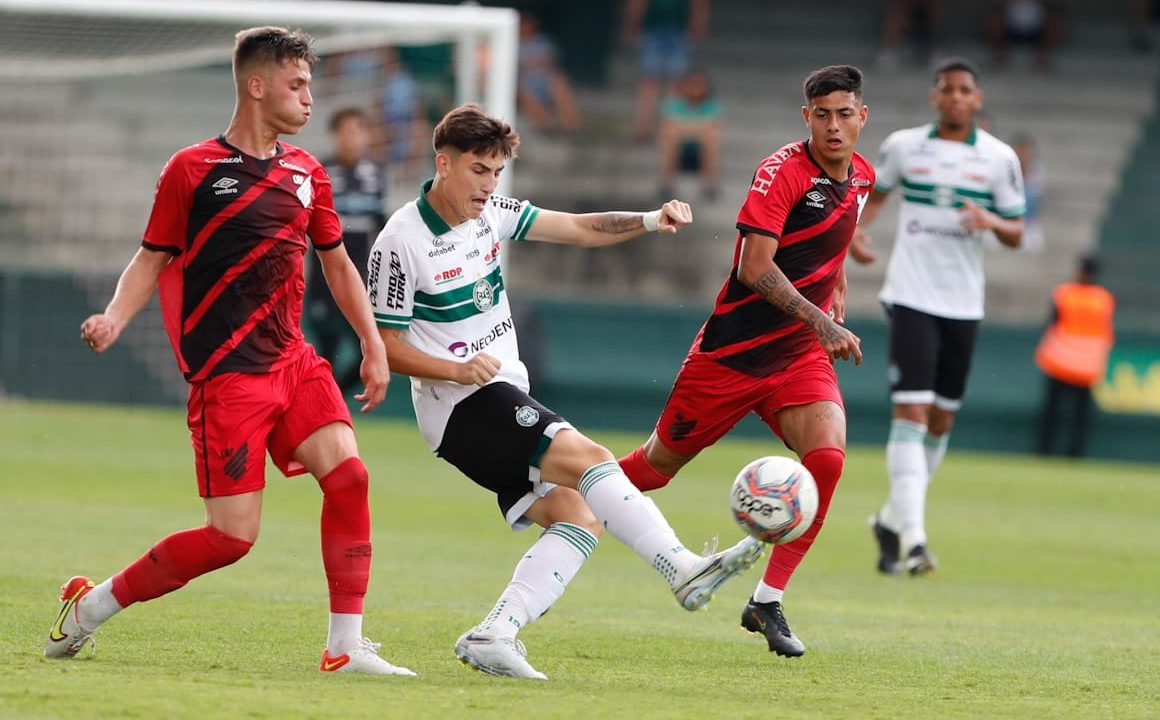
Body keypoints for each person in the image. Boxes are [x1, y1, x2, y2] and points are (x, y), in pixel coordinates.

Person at [45, 26, 415, 676]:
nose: (309, 99)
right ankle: (92, 606)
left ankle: (344, 645)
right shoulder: (191, 169)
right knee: (230, 539)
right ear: (257, 85)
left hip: (294, 361)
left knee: (351, 477)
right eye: (297, 85)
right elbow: (149, 257)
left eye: (310, 85)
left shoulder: (308, 173)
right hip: (229, 380)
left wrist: (372, 341)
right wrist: (112, 317)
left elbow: (337, 266)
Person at [367, 103, 764, 680]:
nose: (489, 185)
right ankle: (681, 567)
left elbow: (579, 228)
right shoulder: (400, 240)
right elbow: (384, 346)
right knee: (590, 459)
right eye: (479, 169)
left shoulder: (491, 214)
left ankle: (494, 633)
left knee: (579, 515)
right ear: (443, 163)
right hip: (459, 405)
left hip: (496, 392)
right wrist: (457, 370)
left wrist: (650, 220)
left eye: (497, 172)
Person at [617, 65, 872, 659]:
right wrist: (822, 319)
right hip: (732, 354)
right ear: (805, 117)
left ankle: (766, 600)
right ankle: (561, 481)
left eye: (845, 114)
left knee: (828, 459)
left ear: (862, 117)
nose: (834, 126)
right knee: (653, 470)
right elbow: (752, 268)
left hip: (798, 357)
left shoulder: (862, 177)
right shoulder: (780, 171)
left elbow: (833, 244)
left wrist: (836, 290)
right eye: (822, 115)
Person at [849, 57, 1025, 578]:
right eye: (946, 89)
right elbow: (873, 199)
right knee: (912, 414)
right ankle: (916, 540)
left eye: (964, 90)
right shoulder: (904, 146)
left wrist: (988, 219)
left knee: (942, 419)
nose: (954, 97)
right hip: (910, 294)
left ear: (977, 99)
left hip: (964, 302)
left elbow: (1017, 233)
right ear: (934, 97)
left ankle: (888, 519)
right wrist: (853, 233)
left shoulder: (999, 159)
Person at [306, 108, 386, 393]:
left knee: (366, 346)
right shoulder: (319, 170)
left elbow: (380, 223)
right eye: (345, 131)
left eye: (356, 131)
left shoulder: (375, 173)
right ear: (334, 135)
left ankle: (332, 398)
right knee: (326, 348)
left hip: (360, 277)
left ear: (366, 136)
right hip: (323, 278)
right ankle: (323, 403)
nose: (350, 138)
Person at [1034, 255, 1115, 457]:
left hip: (1060, 362)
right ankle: (1075, 454)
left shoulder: (1065, 293)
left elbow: (1052, 324)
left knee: (1053, 414)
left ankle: (1046, 451)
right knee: (1080, 417)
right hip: (1088, 366)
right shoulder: (1103, 298)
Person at [624, 0, 710, 141]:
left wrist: (698, 22)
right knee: (651, 83)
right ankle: (645, 128)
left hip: (676, 30)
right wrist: (633, 21)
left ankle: (668, 128)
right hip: (655, 28)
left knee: (672, 84)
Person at [657, 68, 722, 202]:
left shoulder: (712, 105)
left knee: (711, 138)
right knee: (670, 135)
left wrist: (684, 128)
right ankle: (666, 184)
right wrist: (698, 128)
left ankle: (710, 185)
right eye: (692, 84)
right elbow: (668, 126)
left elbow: (713, 127)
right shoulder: (673, 104)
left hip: (700, 152)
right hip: (678, 151)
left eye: (699, 84)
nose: (695, 88)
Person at [516, 12, 582, 135]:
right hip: (525, 83)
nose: (525, 26)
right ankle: (547, 126)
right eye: (523, 24)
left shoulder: (544, 41)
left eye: (528, 23)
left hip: (545, 80)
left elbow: (551, 62)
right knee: (523, 91)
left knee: (559, 82)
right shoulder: (513, 44)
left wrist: (532, 64)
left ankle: (572, 126)